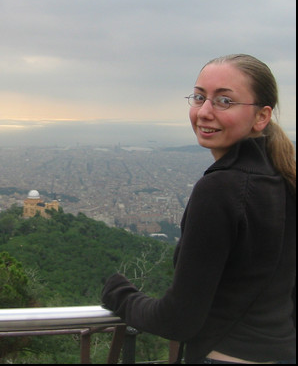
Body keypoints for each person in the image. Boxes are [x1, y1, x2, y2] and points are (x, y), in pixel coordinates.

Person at [101, 54, 296, 364]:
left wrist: (119, 294)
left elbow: (178, 319)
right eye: (199, 97)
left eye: (224, 101)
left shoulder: (220, 189)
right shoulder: (284, 179)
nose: (204, 112)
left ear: (261, 116)